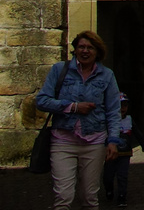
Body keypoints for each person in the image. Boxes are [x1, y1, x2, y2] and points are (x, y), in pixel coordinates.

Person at [36, 30, 122, 210]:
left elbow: (113, 111)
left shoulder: (106, 75)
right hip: (63, 141)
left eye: (90, 48)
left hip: (94, 142)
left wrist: (113, 140)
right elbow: (42, 100)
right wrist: (73, 106)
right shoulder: (60, 70)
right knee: (63, 196)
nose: (85, 51)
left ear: (97, 52)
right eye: (81, 47)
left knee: (89, 197)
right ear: (75, 50)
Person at [101, 95, 144, 207]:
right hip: (111, 153)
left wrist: (143, 143)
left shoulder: (129, 120)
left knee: (122, 176)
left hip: (125, 153)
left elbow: (137, 133)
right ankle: (109, 190)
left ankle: (122, 196)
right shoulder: (108, 121)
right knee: (108, 175)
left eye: (125, 106)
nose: (122, 109)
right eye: (119, 106)